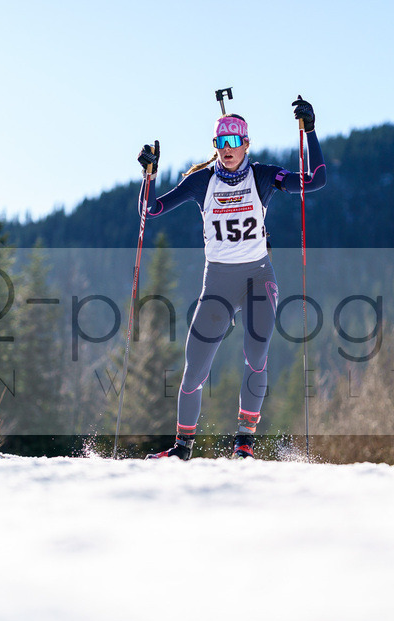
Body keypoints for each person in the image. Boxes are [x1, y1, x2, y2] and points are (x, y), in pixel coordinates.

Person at [135, 97, 326, 459]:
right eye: (220, 142)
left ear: (246, 144)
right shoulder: (201, 182)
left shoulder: (263, 176)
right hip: (218, 283)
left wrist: (310, 130)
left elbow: (315, 181)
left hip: (258, 277)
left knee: (256, 355)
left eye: (234, 141)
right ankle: (182, 447)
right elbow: (150, 209)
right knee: (195, 367)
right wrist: (149, 177)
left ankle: (244, 444)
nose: (227, 149)